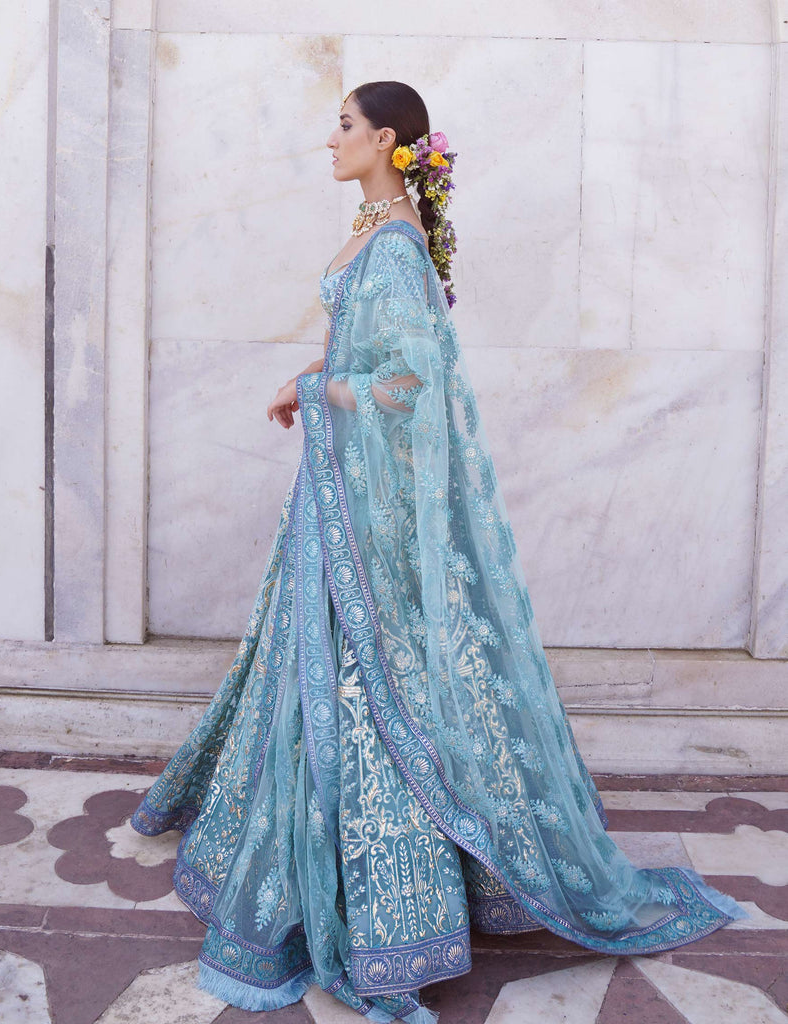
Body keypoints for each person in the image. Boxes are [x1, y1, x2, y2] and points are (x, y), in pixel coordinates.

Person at [130, 81, 745, 1023]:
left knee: (374, 682)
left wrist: (321, 390)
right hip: (339, 493)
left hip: (366, 505)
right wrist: (311, 375)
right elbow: (364, 351)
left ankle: (391, 907)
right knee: (330, 668)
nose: (328, 139)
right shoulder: (376, 233)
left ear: (387, 140)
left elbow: (407, 382)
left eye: (343, 125)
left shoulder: (395, 248)